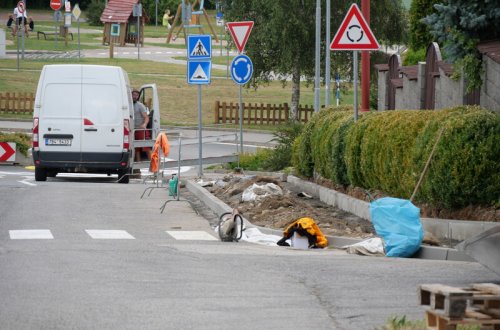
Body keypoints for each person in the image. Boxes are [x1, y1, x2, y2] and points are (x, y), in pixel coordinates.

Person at [132, 89, 152, 162]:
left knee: (146, 147)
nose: (134, 97)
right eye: (133, 95)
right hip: (133, 130)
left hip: (141, 130)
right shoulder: (128, 105)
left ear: (138, 97)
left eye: (136, 95)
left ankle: (153, 165)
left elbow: (146, 117)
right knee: (136, 149)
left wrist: (144, 124)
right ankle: (137, 168)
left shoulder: (140, 105)